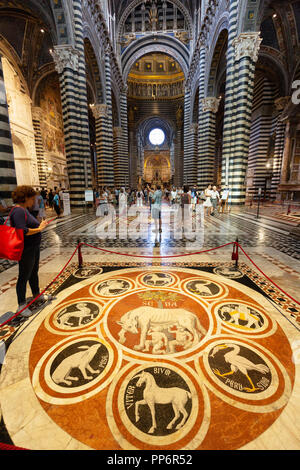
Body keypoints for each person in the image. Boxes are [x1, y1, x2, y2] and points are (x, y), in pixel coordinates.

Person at [10, 186, 51, 317]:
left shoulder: (24, 210)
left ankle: (36, 295)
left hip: (33, 247)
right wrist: (39, 229)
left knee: (33, 272)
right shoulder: (18, 211)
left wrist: (39, 226)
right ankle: (21, 305)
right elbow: (21, 230)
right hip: (26, 249)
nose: (34, 201)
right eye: (32, 199)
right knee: (24, 275)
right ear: (26, 198)